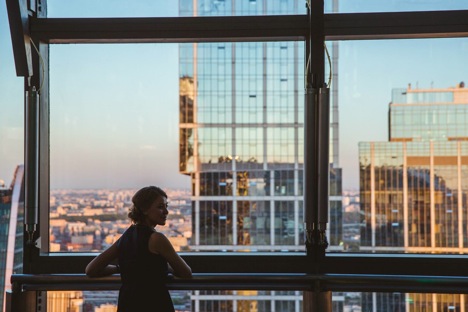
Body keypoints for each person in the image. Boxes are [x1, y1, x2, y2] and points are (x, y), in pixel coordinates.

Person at [85, 186, 192, 312]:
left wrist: (120, 268)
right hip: (154, 303)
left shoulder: (126, 236)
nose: (166, 211)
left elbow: (91, 269)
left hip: (128, 303)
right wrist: (166, 268)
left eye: (166, 206)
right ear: (145, 210)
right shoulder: (157, 239)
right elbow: (186, 272)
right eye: (160, 207)